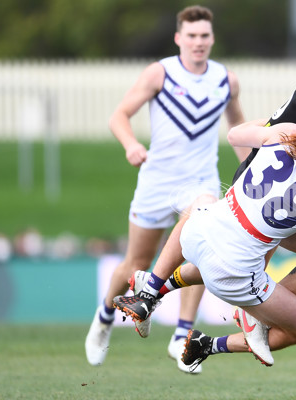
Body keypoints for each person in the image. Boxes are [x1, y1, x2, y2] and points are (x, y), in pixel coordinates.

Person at [117, 46, 296, 368]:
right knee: (282, 281)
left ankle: (155, 291)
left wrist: (274, 131)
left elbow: (237, 135)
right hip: (274, 198)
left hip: (257, 189)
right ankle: (239, 312)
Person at [114, 111, 296, 368]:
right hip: (232, 273)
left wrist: (275, 124)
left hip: (198, 233)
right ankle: (211, 344)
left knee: (202, 205)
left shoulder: (283, 133)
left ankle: (151, 290)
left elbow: (235, 135)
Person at [85, 5, 247, 374]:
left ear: (212, 38)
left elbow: (237, 128)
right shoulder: (160, 73)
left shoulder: (226, 80)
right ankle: (105, 318)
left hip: (200, 182)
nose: (198, 42)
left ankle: (182, 337)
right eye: (191, 36)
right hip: (156, 181)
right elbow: (118, 115)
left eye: (204, 35)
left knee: (201, 252)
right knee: (135, 264)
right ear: (178, 38)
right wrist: (130, 144)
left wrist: (248, 169)